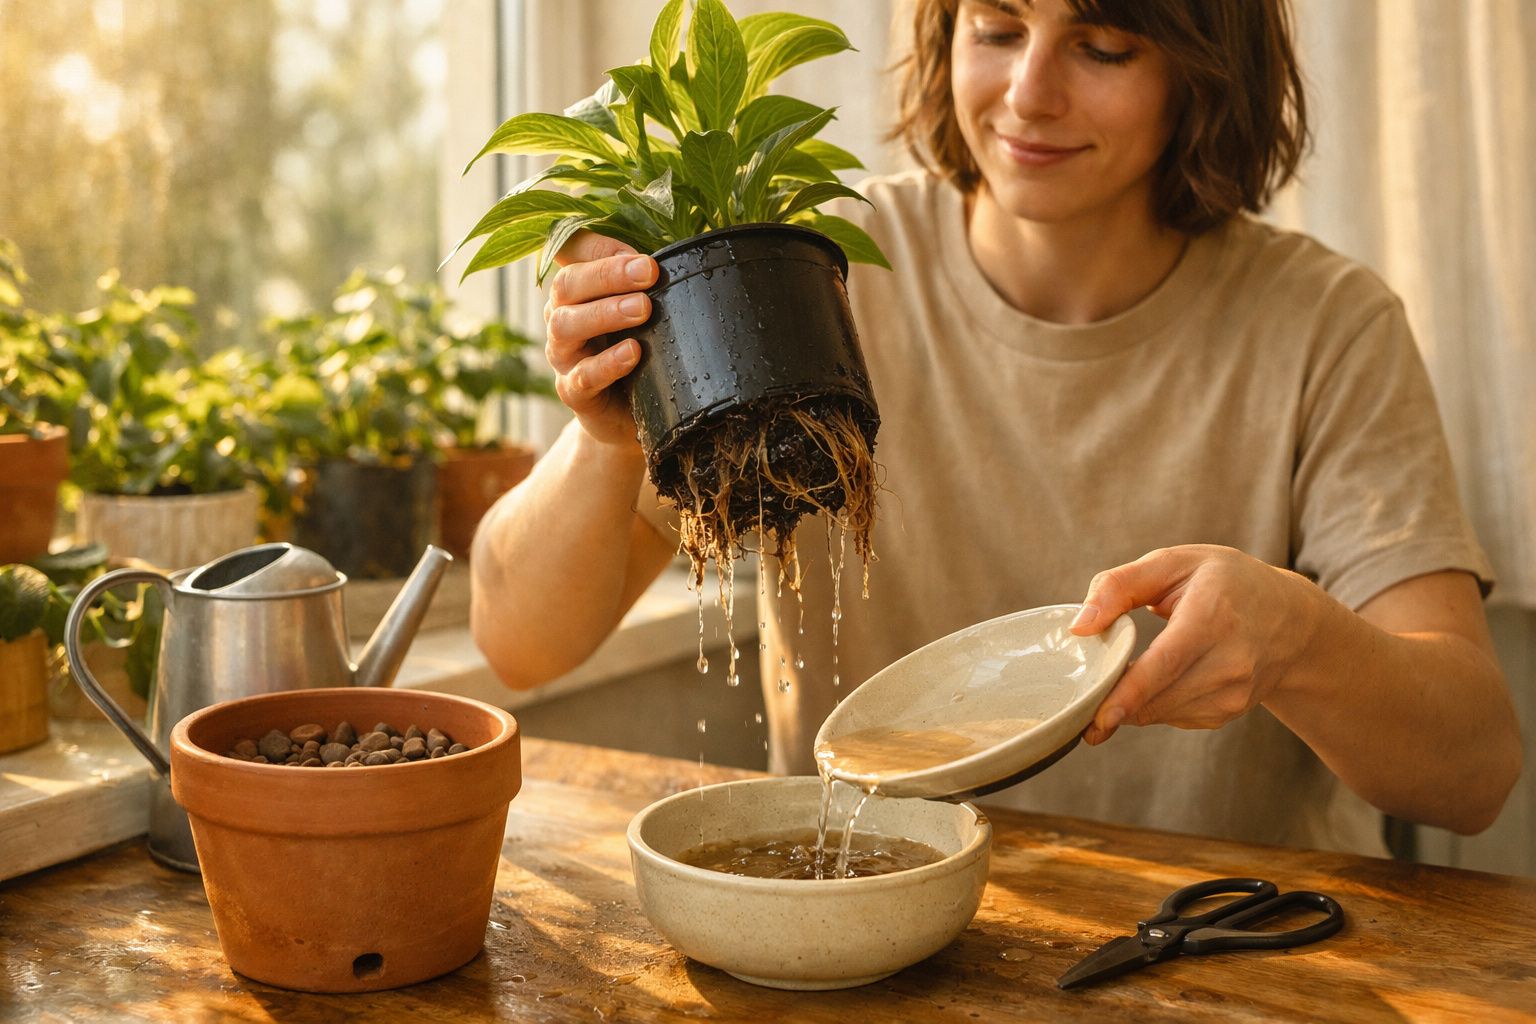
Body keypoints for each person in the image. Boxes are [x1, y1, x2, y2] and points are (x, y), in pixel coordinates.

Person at [470, 0, 1522, 855]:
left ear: (1207, 70)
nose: (1030, 93)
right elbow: (517, 642)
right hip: (869, 932)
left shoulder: (1326, 326)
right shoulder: (815, 276)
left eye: (1103, 45)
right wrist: (609, 436)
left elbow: (1473, 769)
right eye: (998, 27)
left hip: (1220, 940)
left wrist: (1296, 639)